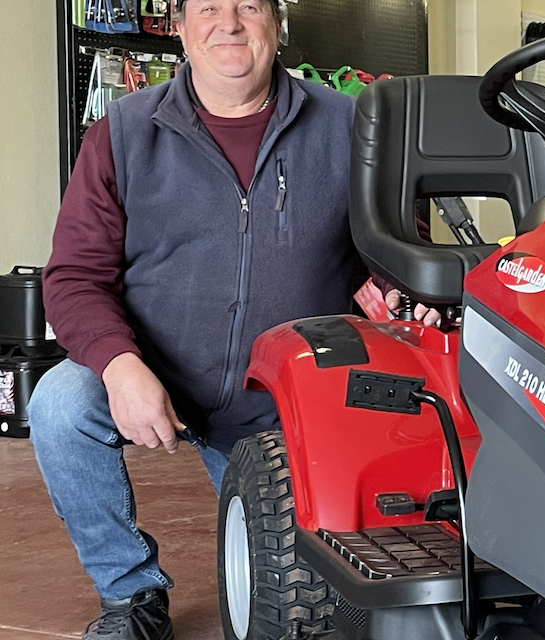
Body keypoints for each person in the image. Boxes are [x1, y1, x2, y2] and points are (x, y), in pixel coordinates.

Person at [23, 0, 428, 638]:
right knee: (59, 403)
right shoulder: (124, 132)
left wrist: (396, 286)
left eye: (248, 6)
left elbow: (399, 247)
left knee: (321, 607)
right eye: (208, 7)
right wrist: (119, 366)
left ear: (277, 22)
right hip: (155, 371)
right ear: (180, 27)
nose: (229, 23)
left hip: (282, 401)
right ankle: (132, 598)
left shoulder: (349, 126)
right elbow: (74, 275)